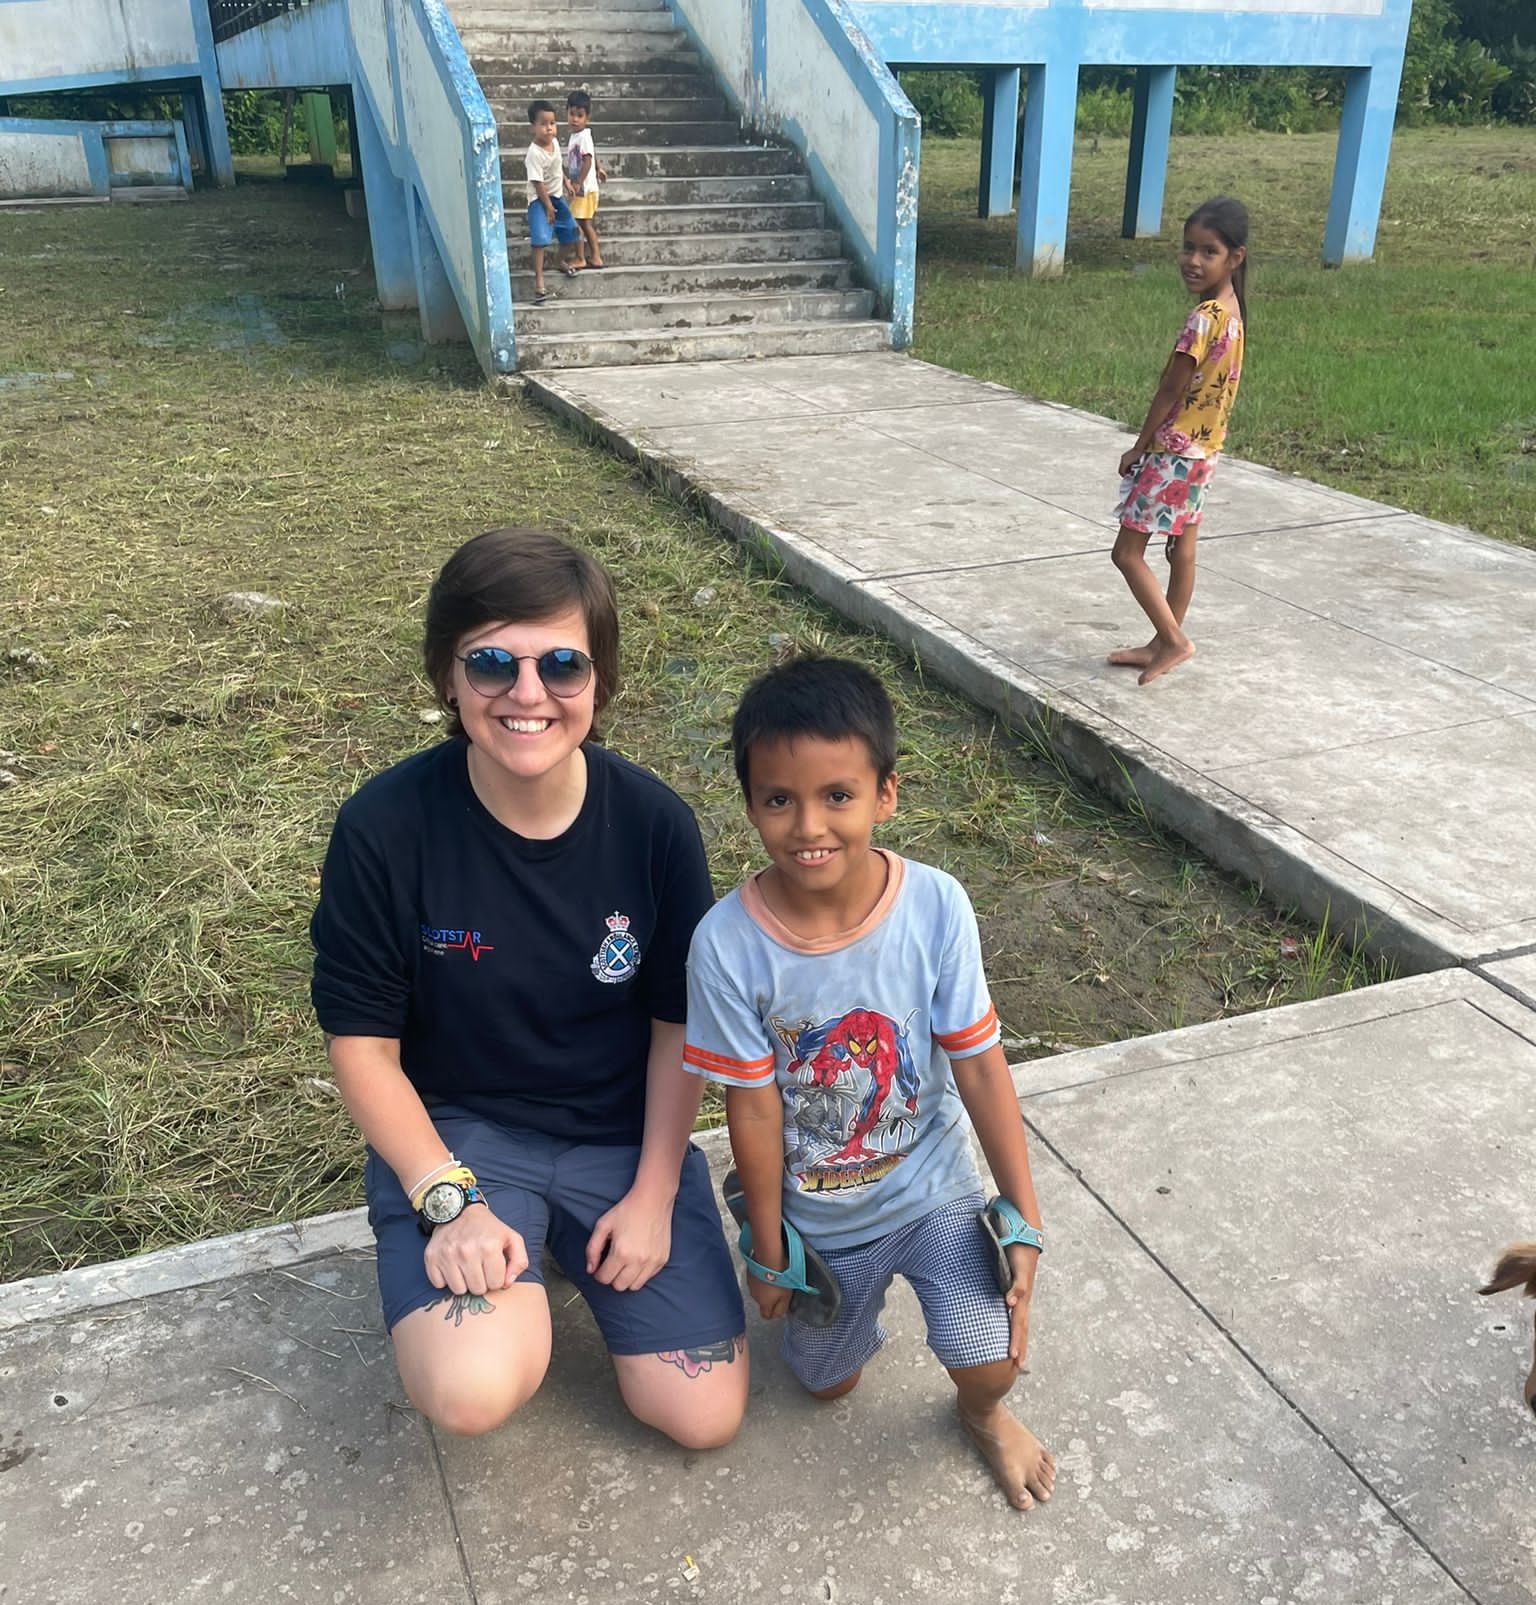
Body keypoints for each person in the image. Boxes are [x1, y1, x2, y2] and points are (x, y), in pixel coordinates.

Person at [311, 529, 748, 1450]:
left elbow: (678, 1027)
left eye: (561, 664)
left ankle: (570, 1230)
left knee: (701, 1415)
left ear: (599, 679)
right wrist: (447, 1198)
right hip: (467, 1135)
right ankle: (513, 1226)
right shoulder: (384, 828)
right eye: (491, 664)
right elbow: (362, 1045)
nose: (528, 694)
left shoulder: (656, 827)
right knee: (473, 1388)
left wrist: (655, 1191)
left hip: (621, 1138)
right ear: (446, 676)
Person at [683, 658, 1055, 1512]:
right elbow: (753, 1100)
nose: (808, 825)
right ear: (749, 804)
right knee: (823, 1383)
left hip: (931, 1187)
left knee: (996, 1361)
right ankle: (781, 1237)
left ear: (887, 793)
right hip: (820, 1215)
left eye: (837, 796)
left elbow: (979, 1063)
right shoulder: (726, 944)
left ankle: (981, 1415)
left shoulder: (936, 906)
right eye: (779, 799)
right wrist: (769, 1251)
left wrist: (1022, 1213)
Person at [1109, 195, 1249, 685]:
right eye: (1188, 248)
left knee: (1126, 553)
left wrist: (1139, 445)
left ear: (1235, 257)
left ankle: (1172, 640)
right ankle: (1160, 640)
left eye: (1208, 251)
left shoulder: (1203, 317)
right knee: (1181, 550)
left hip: (1173, 452)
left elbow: (1171, 388)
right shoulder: (1233, 316)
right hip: (1203, 452)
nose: (1192, 260)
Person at [525, 100, 583, 301]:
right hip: (539, 201)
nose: (549, 128)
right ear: (533, 126)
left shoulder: (555, 143)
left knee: (573, 233)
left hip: (557, 198)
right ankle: (539, 281)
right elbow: (538, 183)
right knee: (540, 240)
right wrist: (548, 207)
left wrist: (566, 182)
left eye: (552, 123)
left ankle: (559, 260)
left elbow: (557, 168)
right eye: (543, 124)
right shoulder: (534, 153)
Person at [564, 91, 608, 272]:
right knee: (584, 224)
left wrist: (578, 182)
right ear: (566, 113)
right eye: (572, 114)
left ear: (587, 118)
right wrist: (599, 168)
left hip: (584, 189)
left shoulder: (583, 136)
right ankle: (595, 257)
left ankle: (581, 257)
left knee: (577, 223)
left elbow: (587, 159)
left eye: (580, 116)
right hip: (585, 189)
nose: (575, 119)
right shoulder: (579, 136)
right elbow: (592, 154)